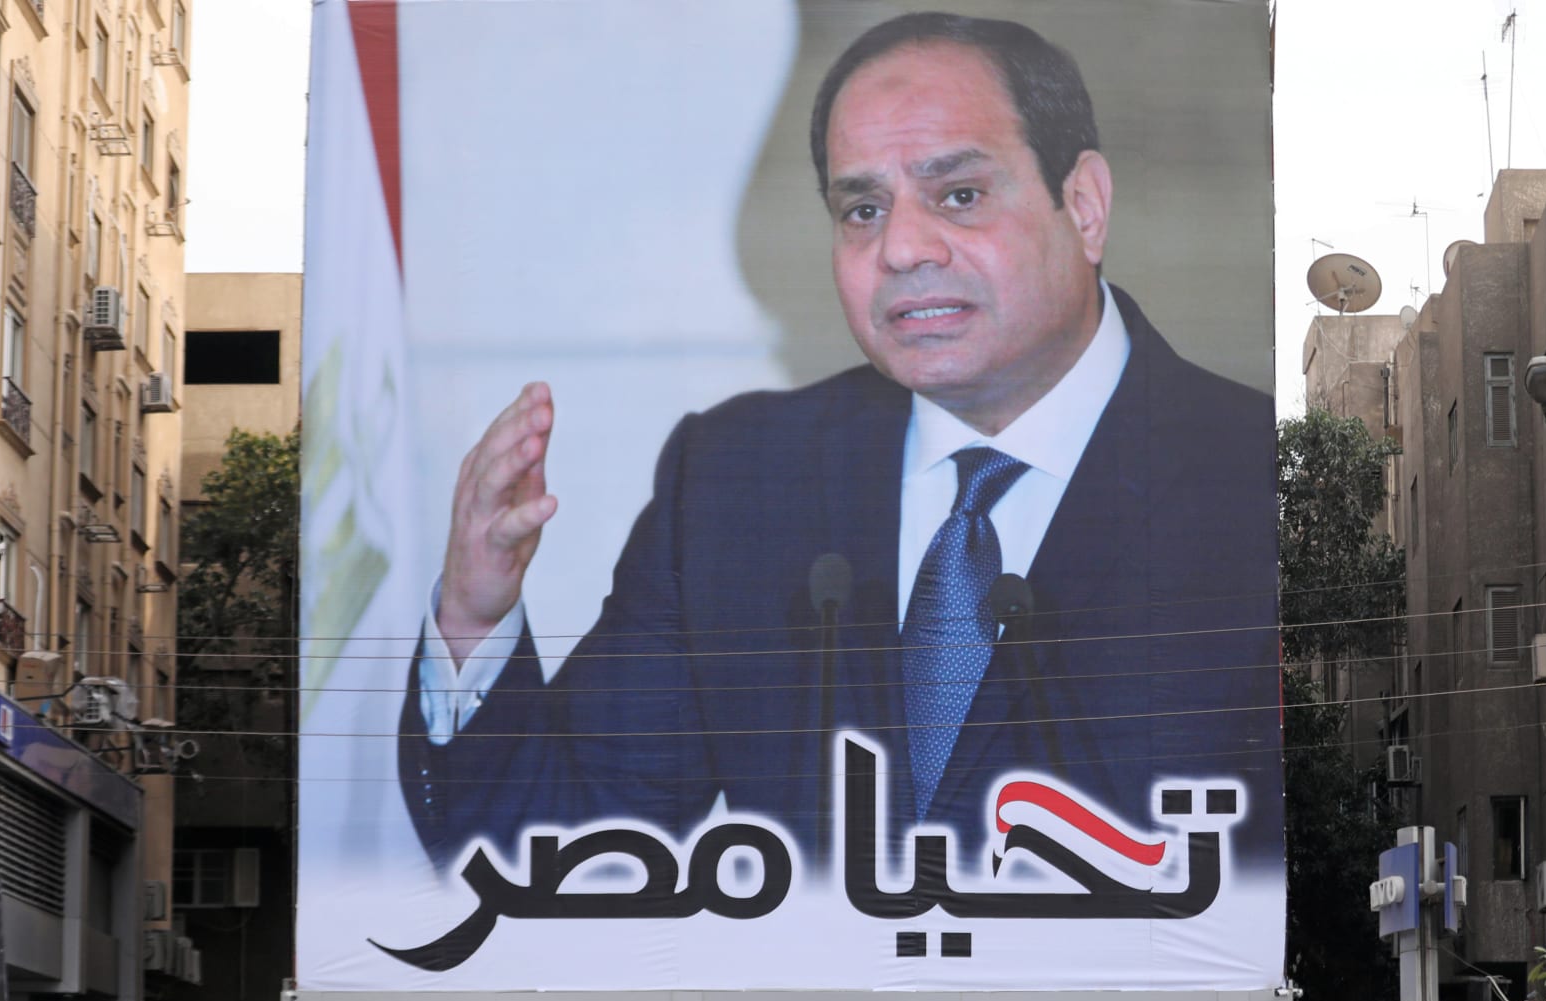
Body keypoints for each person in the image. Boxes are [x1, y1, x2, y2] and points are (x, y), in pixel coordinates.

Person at [398, 11, 1278, 880]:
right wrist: (473, 622)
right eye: (861, 208)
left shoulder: (1247, 478)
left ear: (1082, 206)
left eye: (958, 195)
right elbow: (551, 851)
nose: (900, 248)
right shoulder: (736, 482)